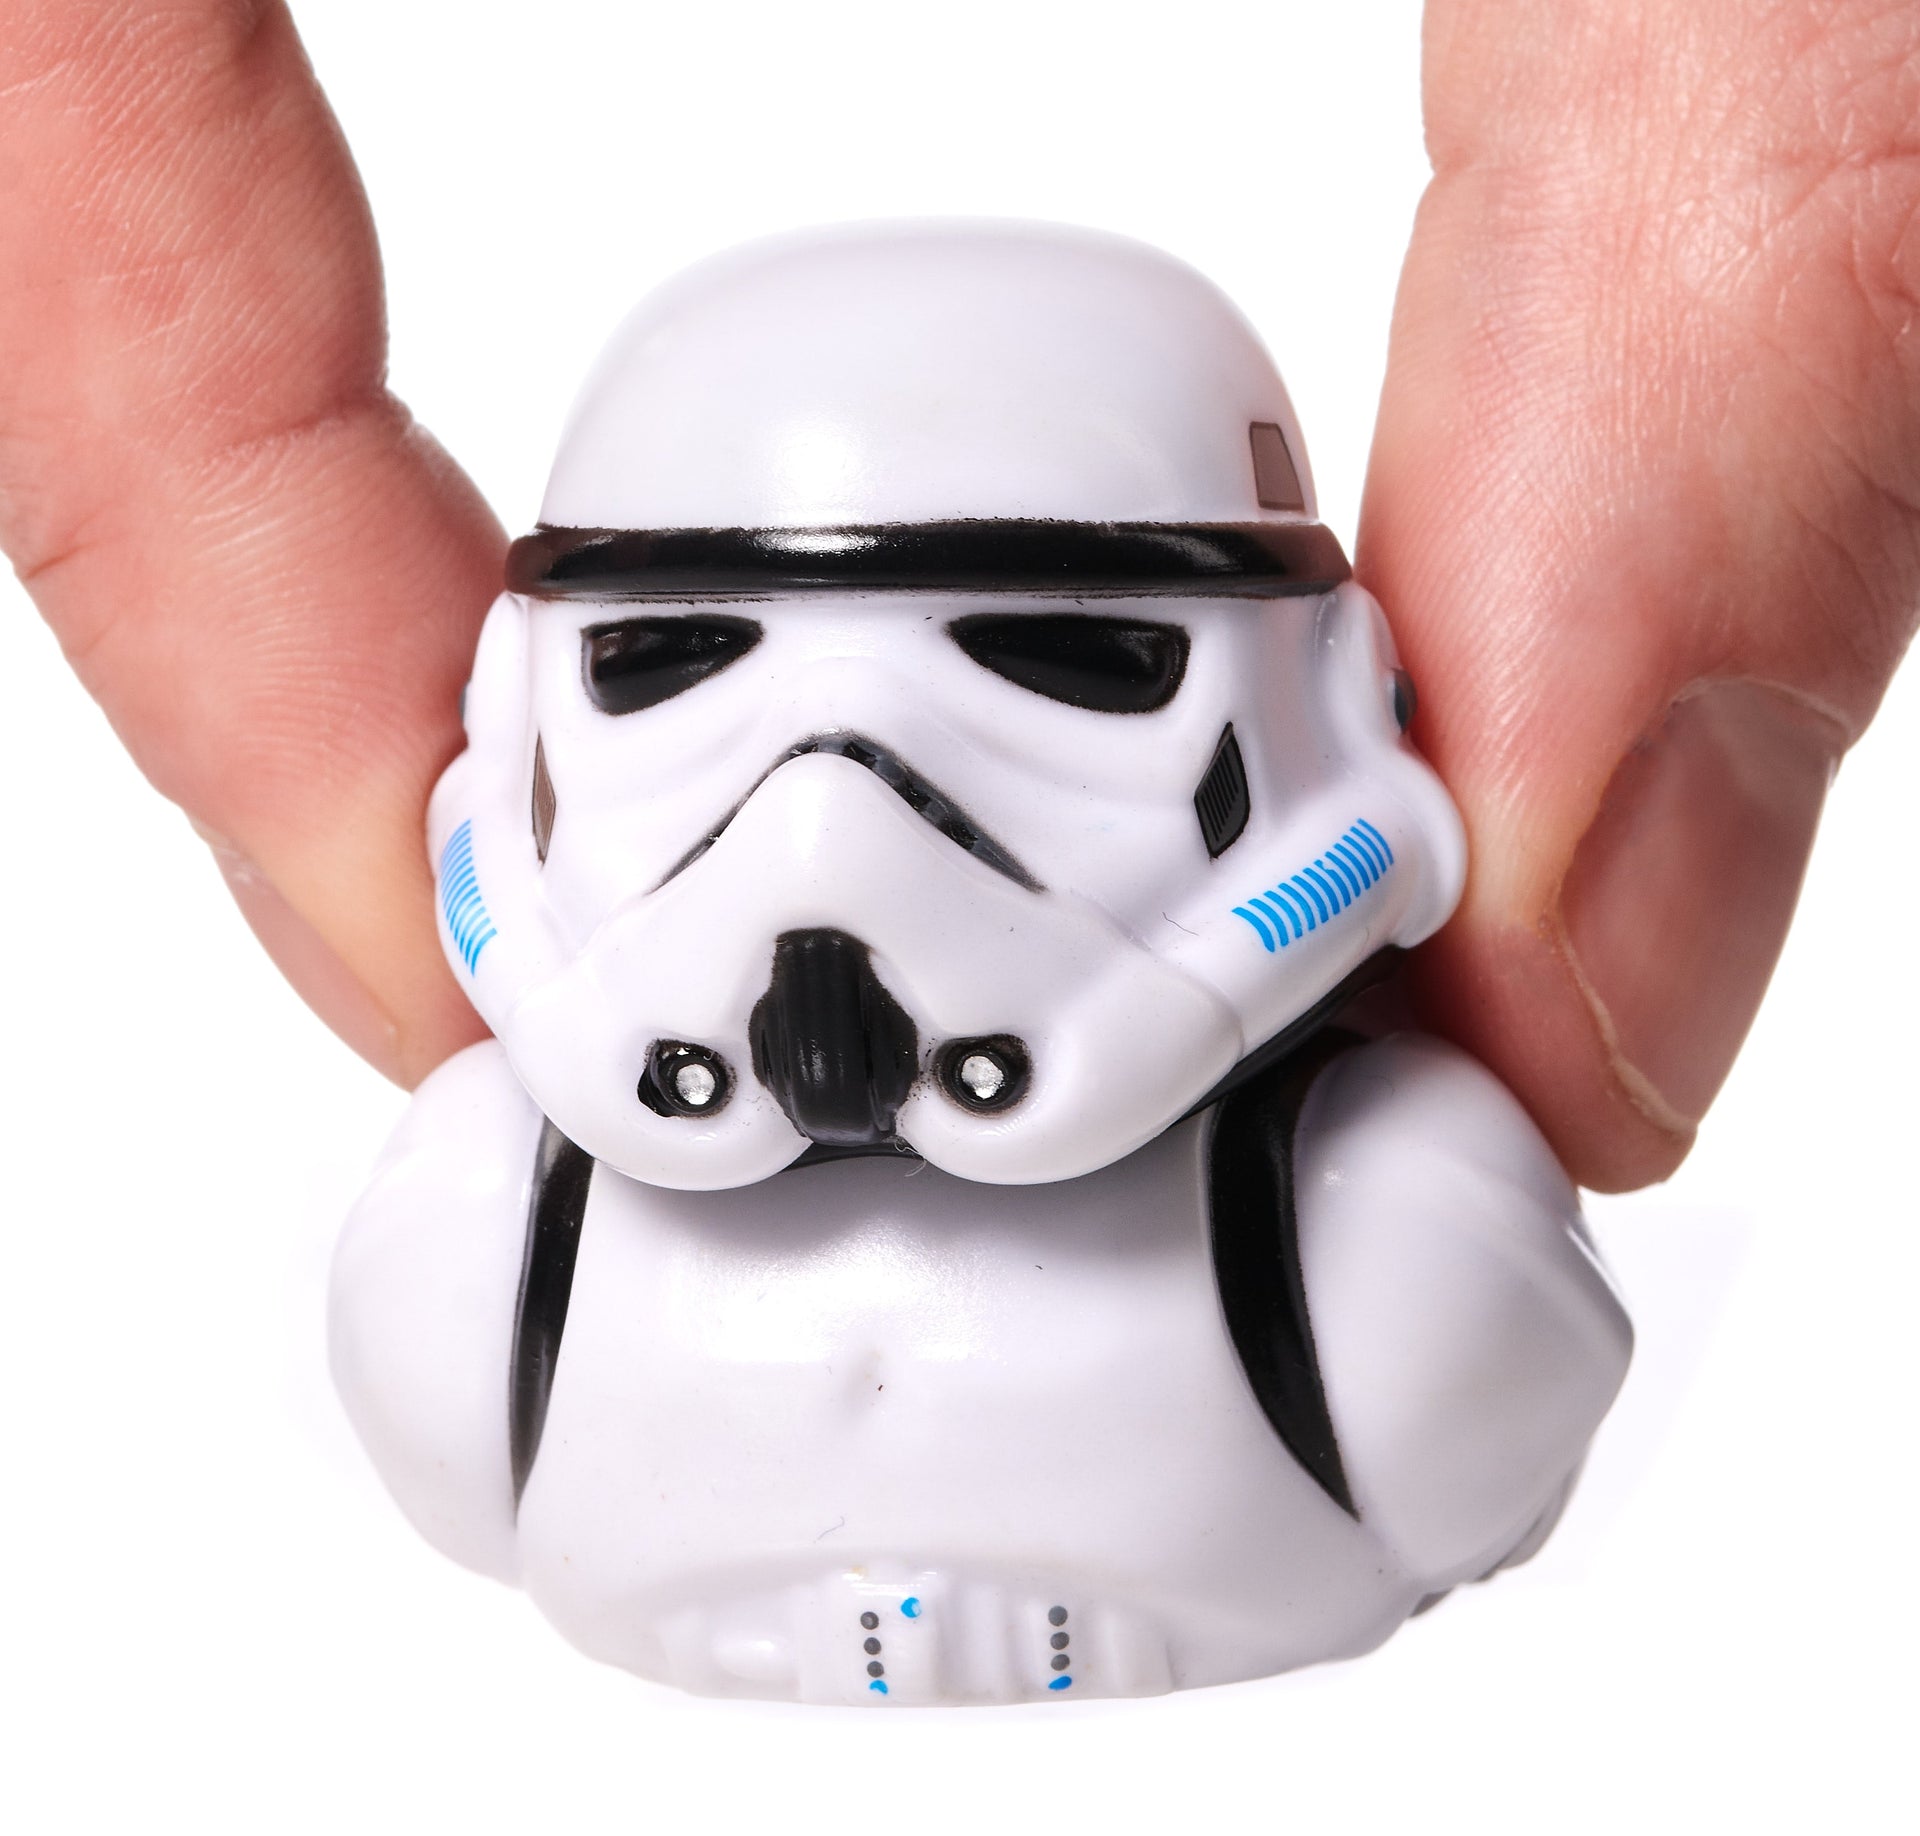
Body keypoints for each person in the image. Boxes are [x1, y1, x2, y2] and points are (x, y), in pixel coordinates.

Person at [0, 0, 1912, 1197]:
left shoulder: (1396, 1241)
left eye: (1065, 663)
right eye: (673, 667)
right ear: (517, 709)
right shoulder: (485, 1272)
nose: (823, 815)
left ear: (1345, 698)